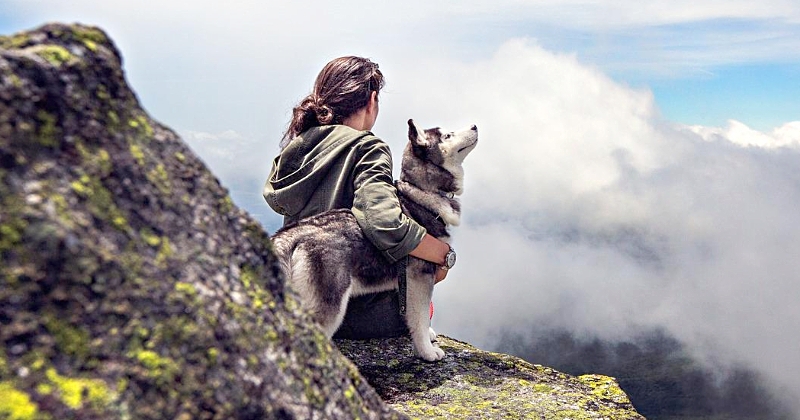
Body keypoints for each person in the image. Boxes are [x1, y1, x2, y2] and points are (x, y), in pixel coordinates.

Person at [263, 56, 452, 339]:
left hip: (299, 302)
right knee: (423, 303)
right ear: (372, 100)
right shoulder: (367, 147)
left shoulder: (297, 148)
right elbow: (384, 220)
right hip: (353, 313)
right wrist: (442, 255)